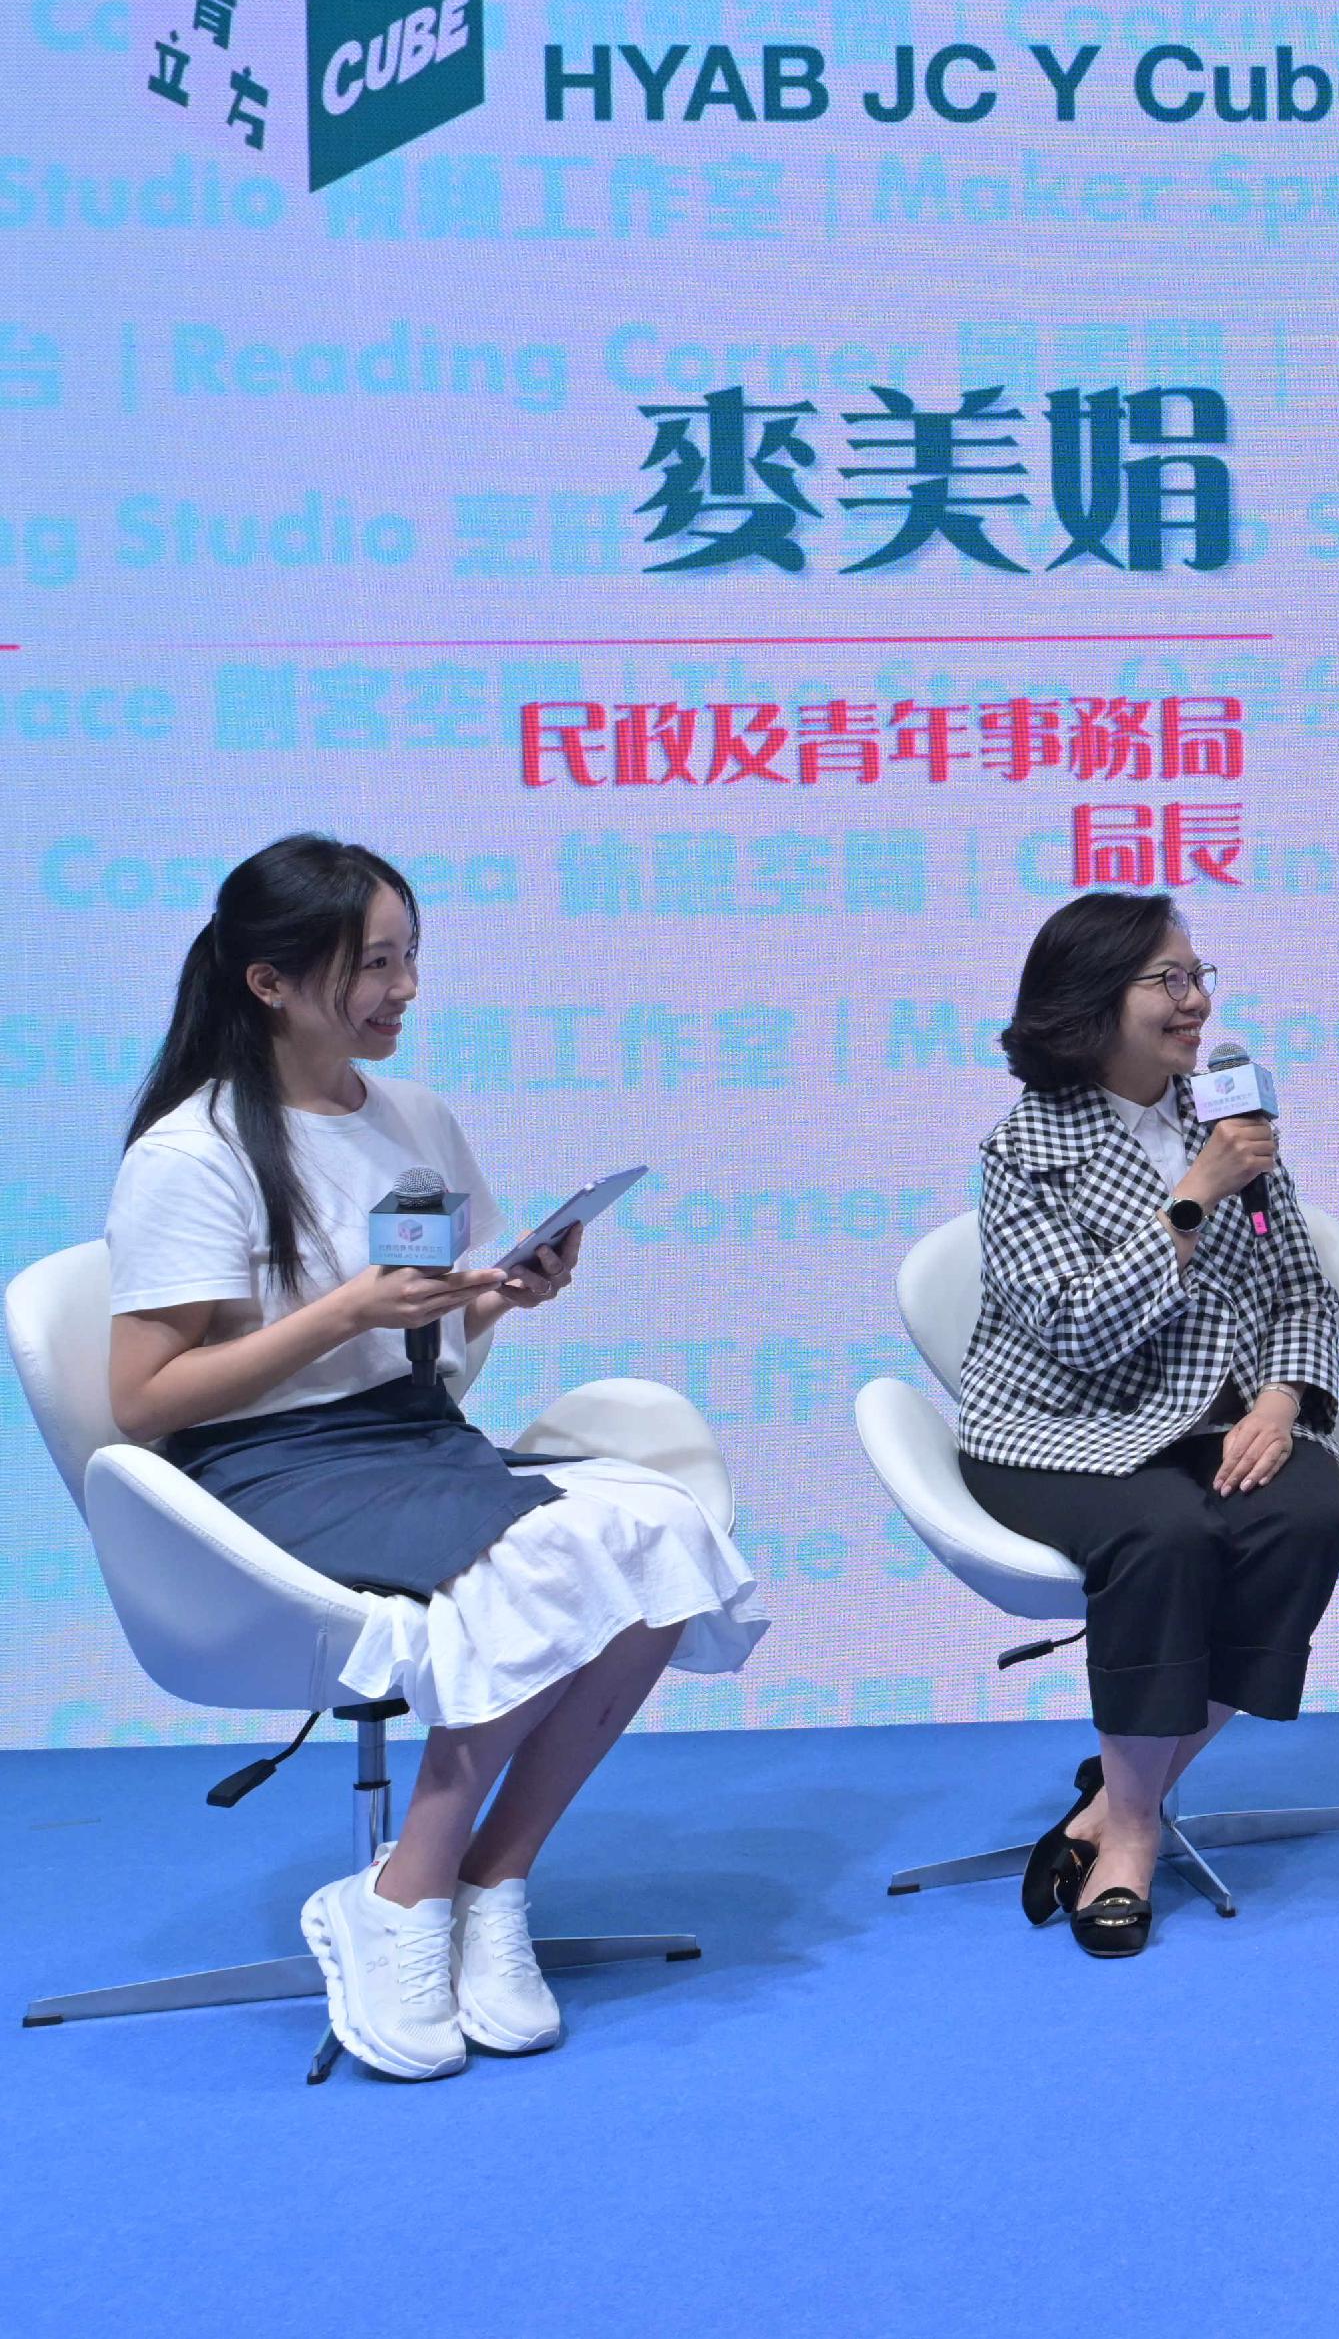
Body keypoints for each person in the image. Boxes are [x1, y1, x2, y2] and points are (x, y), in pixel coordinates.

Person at [104, 836, 765, 2082]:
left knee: (660, 1534)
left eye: (412, 958)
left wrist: (501, 1290)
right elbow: (142, 1401)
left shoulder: (413, 1116)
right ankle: (401, 1892)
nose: (405, 988)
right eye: (376, 963)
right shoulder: (190, 1153)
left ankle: (489, 1878)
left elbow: (428, 1339)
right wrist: (343, 1311)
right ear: (270, 980)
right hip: (265, 1470)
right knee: (545, 1553)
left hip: (412, 1439)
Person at [954, 892, 1339, 1958]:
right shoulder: (1025, 1147)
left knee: (1310, 1515)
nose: (1196, 1003)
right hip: (1056, 1428)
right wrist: (1194, 1193)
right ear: (1092, 1002)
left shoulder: (1227, 1124)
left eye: (1199, 975)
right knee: (1167, 1535)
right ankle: (1132, 1835)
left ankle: (1114, 1800)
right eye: (1168, 980)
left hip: (1212, 1420)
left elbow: (1297, 1293)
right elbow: (1077, 1330)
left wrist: (1282, 1400)